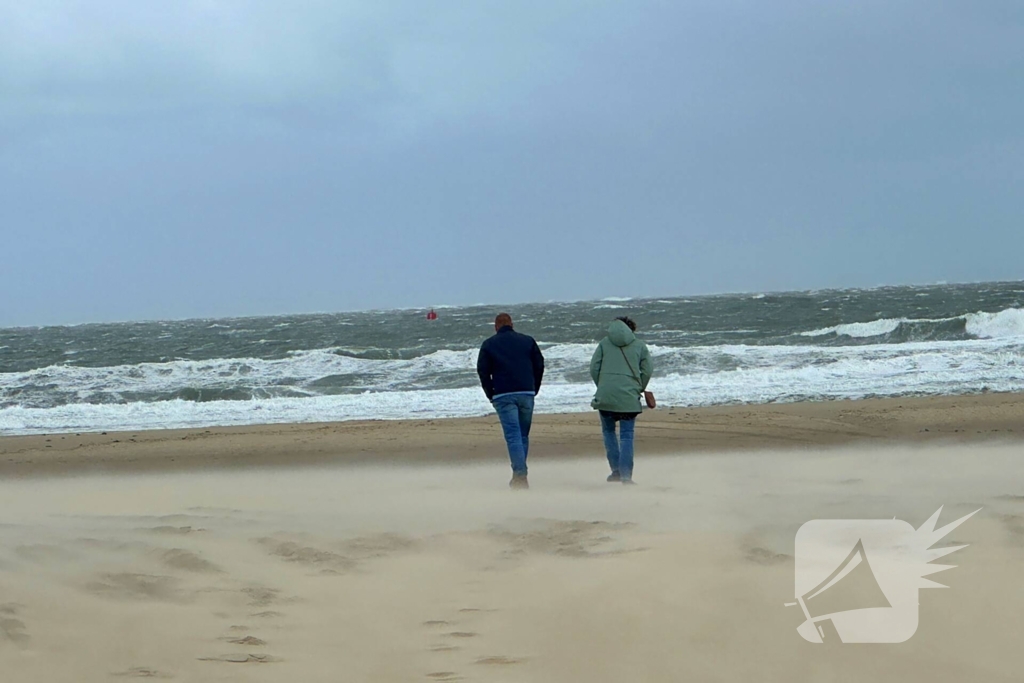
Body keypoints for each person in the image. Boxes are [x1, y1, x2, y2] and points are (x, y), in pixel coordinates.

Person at [476, 313, 545, 489]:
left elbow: (483, 371)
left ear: (495, 326)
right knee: (523, 435)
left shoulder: (489, 344)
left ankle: (520, 475)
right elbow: (539, 365)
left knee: (514, 435)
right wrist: (534, 387)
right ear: (512, 324)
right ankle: (519, 473)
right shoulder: (527, 341)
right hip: (526, 392)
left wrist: (490, 393)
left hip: (503, 394)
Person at [589, 316, 652, 484]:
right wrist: (638, 387)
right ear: (631, 330)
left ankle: (615, 471)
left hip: (606, 396)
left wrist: (602, 386)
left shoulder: (604, 343)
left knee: (609, 432)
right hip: (628, 398)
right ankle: (625, 476)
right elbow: (647, 370)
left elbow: (594, 367)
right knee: (626, 436)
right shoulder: (639, 345)